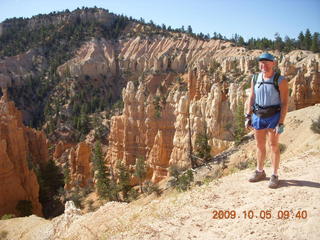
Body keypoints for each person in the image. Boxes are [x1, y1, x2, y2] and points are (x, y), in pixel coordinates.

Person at [245, 52, 289, 188]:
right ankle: (260, 171)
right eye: (261, 62)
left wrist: (281, 122)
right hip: (258, 115)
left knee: (274, 145)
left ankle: (275, 175)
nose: (263, 65)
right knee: (259, 145)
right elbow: (251, 97)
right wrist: (248, 116)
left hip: (273, 116)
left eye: (266, 62)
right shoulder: (255, 78)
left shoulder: (280, 80)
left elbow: (284, 103)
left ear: (273, 64)